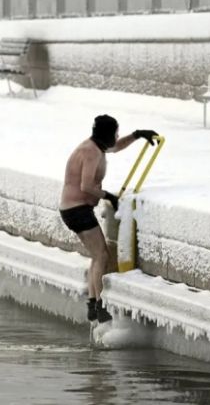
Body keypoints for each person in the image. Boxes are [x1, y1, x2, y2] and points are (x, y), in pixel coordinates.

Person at [59, 115, 158, 323]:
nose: (117, 136)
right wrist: (109, 197)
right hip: (77, 210)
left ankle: (93, 304)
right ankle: (98, 304)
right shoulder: (90, 152)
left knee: (97, 256)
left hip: (76, 209)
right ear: (106, 134)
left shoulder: (97, 147)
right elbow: (86, 186)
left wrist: (138, 135)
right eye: (116, 132)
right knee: (101, 256)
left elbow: (116, 147)